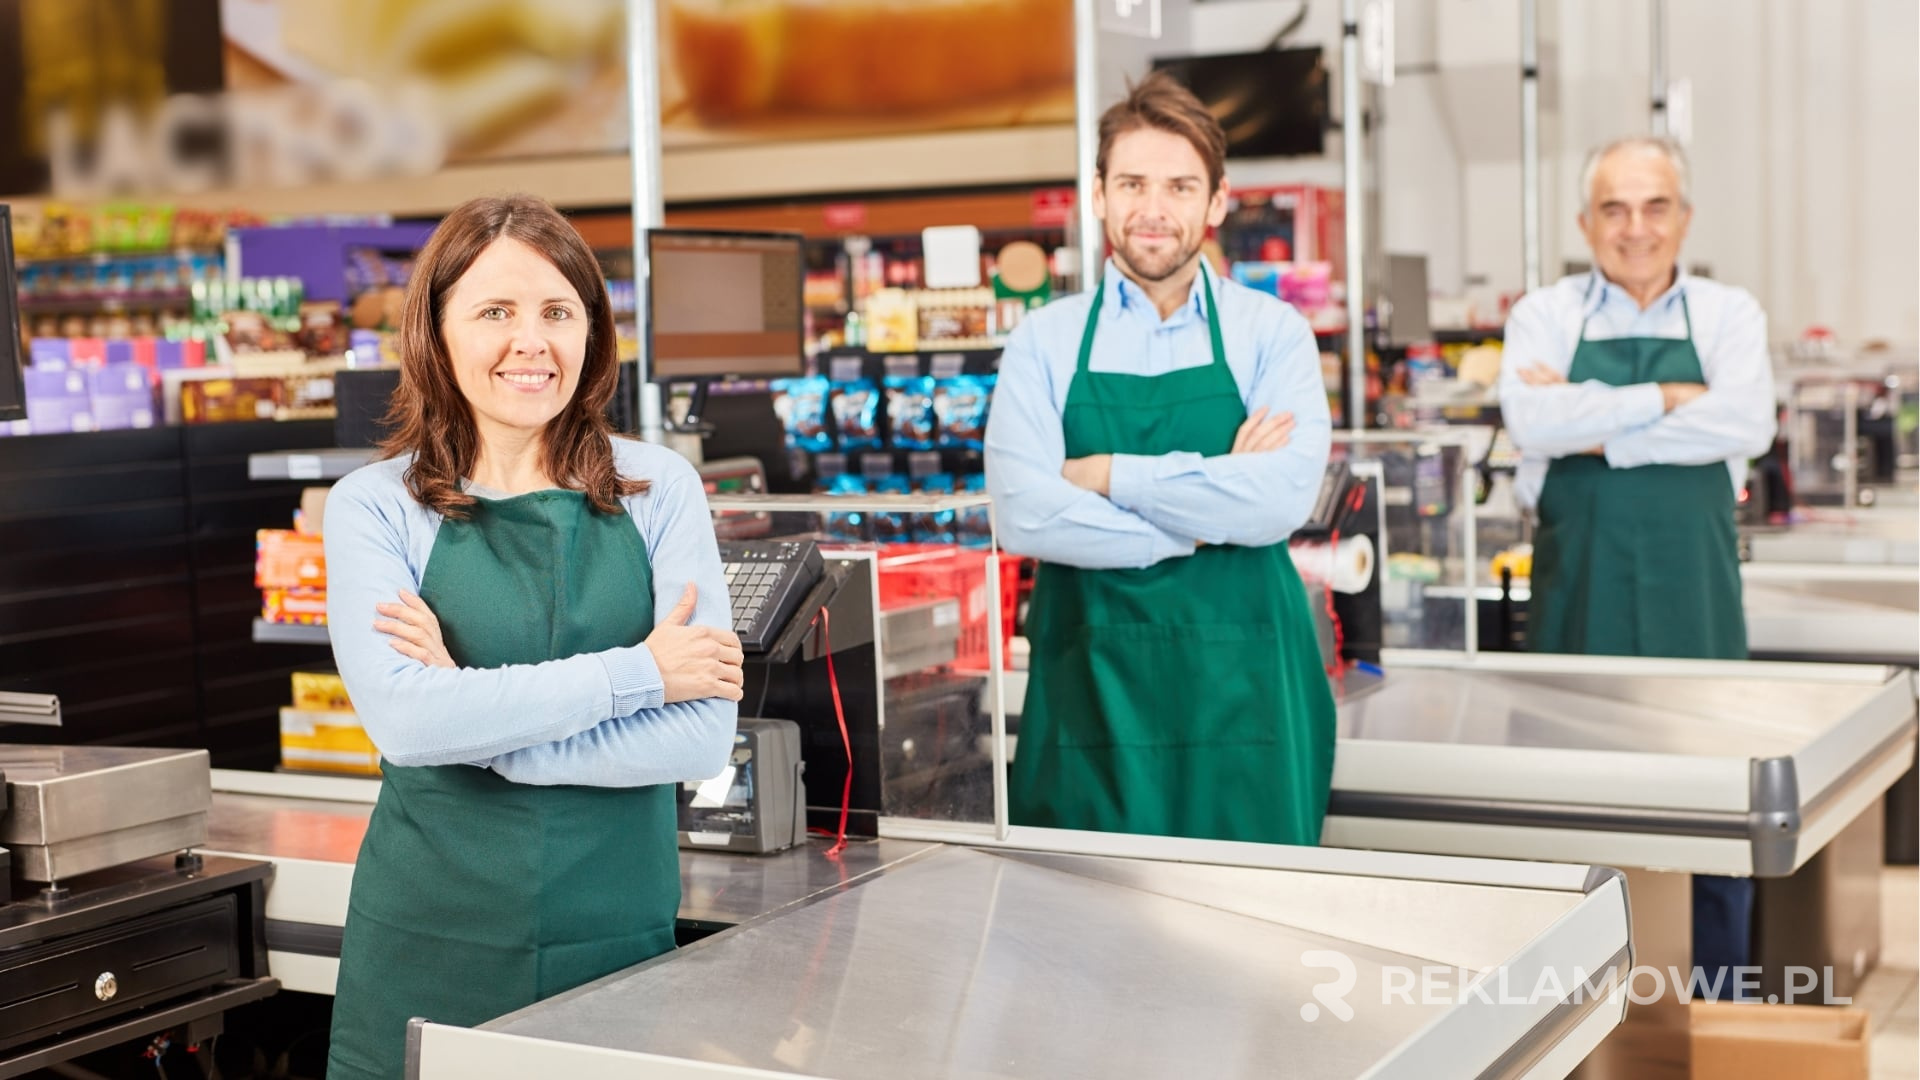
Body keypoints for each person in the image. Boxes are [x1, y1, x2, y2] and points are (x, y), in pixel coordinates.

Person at [321, 195, 743, 1079]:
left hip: (615, 934)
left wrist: (489, 739)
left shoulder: (660, 488)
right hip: (430, 937)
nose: (531, 342)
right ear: (436, 334)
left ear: (592, 330)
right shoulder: (376, 505)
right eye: (494, 313)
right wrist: (643, 672)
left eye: (557, 311)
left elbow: (702, 735)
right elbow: (406, 724)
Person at [984, 72, 1336, 845]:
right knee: (1082, 944)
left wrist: (1108, 475)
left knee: (1257, 944)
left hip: (1248, 691)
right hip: (1092, 690)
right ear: (1100, 196)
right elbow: (1025, 514)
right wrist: (1203, 524)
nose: (1154, 209)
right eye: (1133, 183)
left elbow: (1278, 501)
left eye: (1180, 187)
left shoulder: (1272, 333)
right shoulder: (1042, 341)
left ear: (1215, 203)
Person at [1499, 136, 1776, 993]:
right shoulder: (1541, 315)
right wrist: (1665, 400)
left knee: (1711, 812)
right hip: (1577, 600)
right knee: (1576, 807)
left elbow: (1747, 425)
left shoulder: (1732, 315)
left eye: (1655, 206)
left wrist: (1595, 428)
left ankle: (1716, 998)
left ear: (1683, 219)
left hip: (1697, 603)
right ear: (1586, 223)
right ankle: (1582, 1015)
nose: (1636, 227)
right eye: (1614, 208)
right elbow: (1531, 424)